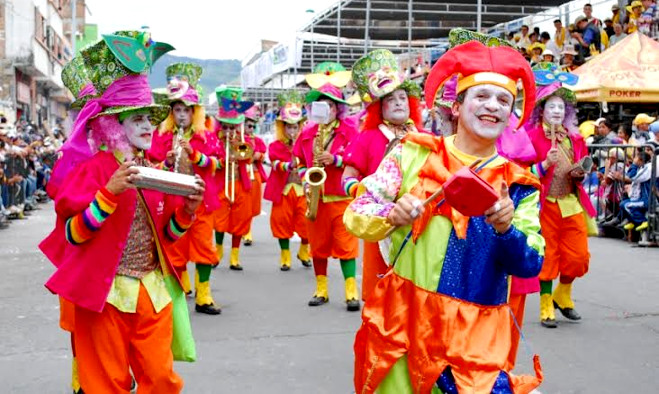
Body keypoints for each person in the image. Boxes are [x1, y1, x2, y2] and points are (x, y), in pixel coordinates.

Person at [345, 39, 544, 393]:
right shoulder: (412, 153)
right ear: (457, 105)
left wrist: (506, 229)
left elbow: (530, 264)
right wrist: (393, 213)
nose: (492, 107)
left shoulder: (520, 185)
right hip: (404, 320)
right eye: (481, 96)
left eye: (503, 100)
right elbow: (358, 212)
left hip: (474, 333)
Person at [39, 31, 201, 392]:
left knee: (161, 379)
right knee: (106, 384)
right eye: (137, 118)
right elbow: (73, 235)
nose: (148, 126)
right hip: (105, 295)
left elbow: (166, 236)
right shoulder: (92, 171)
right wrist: (108, 194)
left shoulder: (154, 168)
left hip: (151, 292)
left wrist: (187, 212)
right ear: (113, 124)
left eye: (149, 118)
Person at [342, 49, 425, 301]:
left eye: (403, 97)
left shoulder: (424, 137)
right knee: (380, 294)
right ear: (379, 107)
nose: (399, 102)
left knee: (414, 292)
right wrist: (363, 194)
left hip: (416, 222)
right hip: (381, 222)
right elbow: (347, 177)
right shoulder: (367, 137)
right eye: (391, 99)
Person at [148, 62, 223, 315]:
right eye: (177, 109)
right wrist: (166, 162)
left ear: (195, 113)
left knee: (204, 247)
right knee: (175, 248)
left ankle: (204, 295)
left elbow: (218, 163)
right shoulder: (160, 136)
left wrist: (196, 156)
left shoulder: (206, 136)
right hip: (173, 201)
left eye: (186, 110)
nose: (181, 115)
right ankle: (179, 292)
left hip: (201, 199)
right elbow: (150, 164)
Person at [526, 64, 597, 329]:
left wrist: (581, 172)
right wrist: (543, 164)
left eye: (560, 107)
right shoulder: (531, 137)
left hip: (570, 202)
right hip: (544, 205)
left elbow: (581, 168)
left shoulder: (575, 138)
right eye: (551, 106)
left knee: (578, 257)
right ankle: (546, 303)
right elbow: (521, 172)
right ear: (541, 110)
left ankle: (563, 294)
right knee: (548, 255)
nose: (556, 111)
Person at [293, 62, 360, 312]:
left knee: (346, 246)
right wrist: (304, 178)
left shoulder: (350, 132)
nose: (327, 109)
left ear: (338, 108)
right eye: (322, 104)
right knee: (318, 245)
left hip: (341, 196)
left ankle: (351, 291)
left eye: (331, 104)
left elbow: (358, 161)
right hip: (316, 197)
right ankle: (321, 289)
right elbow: (299, 160)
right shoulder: (308, 132)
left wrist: (337, 160)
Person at [263, 90, 312, 270]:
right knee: (281, 223)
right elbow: (275, 164)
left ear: (301, 127)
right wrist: (288, 164)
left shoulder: (307, 143)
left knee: (307, 222)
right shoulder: (275, 145)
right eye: (289, 127)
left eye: (295, 127)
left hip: (302, 189)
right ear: (282, 127)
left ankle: (304, 251)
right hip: (283, 190)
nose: (292, 130)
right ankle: (285, 256)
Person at [212, 87, 256, 271]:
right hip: (221, 184)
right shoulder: (214, 139)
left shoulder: (244, 139)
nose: (229, 130)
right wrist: (223, 161)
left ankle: (234, 257)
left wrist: (238, 145)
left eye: (233, 126)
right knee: (219, 219)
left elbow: (249, 156)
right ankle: (219, 251)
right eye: (226, 126)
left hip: (240, 183)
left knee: (240, 220)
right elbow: (210, 160)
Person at [241, 105, 267, 246]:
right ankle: (245, 231)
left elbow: (263, 155)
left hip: (255, 174)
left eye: (253, 126)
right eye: (248, 125)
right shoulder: (239, 140)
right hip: (243, 174)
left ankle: (247, 229)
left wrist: (259, 155)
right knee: (244, 205)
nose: (251, 129)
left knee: (253, 205)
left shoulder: (257, 140)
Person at [619, 151, 652, 232]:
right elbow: (631, 176)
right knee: (622, 204)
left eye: (636, 157)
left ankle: (643, 221)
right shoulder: (641, 168)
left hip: (647, 200)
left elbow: (633, 177)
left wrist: (633, 165)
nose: (634, 159)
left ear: (640, 160)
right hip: (640, 197)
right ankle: (633, 221)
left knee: (627, 205)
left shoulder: (648, 168)